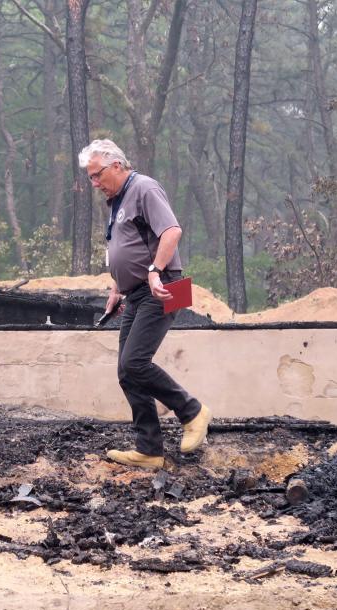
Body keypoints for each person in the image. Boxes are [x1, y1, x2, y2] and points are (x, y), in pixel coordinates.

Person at [78, 139, 212, 469]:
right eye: (90, 178)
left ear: (117, 166)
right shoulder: (115, 201)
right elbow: (126, 248)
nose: (94, 183)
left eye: (97, 175)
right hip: (136, 292)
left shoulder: (144, 189)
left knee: (135, 363)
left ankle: (193, 412)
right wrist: (116, 288)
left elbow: (171, 232)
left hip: (164, 287)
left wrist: (155, 271)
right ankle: (149, 449)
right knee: (127, 371)